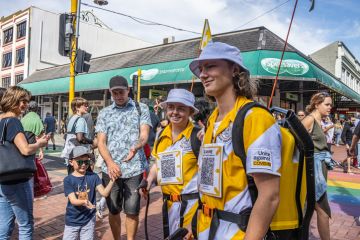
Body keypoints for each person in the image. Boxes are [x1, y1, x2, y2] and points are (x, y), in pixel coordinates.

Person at [189, 42, 281, 239]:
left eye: (210, 66)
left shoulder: (255, 118)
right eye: (201, 69)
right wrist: (195, 225)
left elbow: (270, 195)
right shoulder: (212, 119)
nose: (202, 74)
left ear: (234, 69)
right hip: (206, 228)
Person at [96, 75, 152, 240]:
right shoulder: (105, 113)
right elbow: (101, 142)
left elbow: (144, 134)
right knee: (113, 209)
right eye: (115, 93)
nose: (119, 96)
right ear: (110, 93)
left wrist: (137, 146)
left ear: (128, 90)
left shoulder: (141, 108)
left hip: (134, 168)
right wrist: (110, 163)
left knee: (132, 210)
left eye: (122, 92)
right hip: (111, 170)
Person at [145, 89, 200, 239]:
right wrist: (149, 180)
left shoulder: (198, 136)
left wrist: (199, 215)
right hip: (168, 206)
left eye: (181, 108)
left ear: (190, 112)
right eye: (171, 107)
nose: (174, 112)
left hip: (192, 206)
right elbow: (158, 163)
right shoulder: (161, 134)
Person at [0, 86, 48, 239]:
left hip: (3, 180)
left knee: (5, 225)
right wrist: (40, 143)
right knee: (25, 224)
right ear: (13, 100)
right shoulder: (13, 121)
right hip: (18, 179)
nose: (26, 105)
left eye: (27, 102)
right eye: (23, 101)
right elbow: (26, 150)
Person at [63, 146, 115, 240]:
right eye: (79, 162)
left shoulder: (93, 177)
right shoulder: (68, 180)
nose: (83, 164)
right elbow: (73, 200)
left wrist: (112, 180)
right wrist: (84, 202)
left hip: (89, 219)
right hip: (72, 219)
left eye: (86, 162)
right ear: (71, 162)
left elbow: (104, 193)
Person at [302, 92, 332, 240]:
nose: (330, 107)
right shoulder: (309, 120)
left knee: (308, 208)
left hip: (319, 169)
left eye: (331, 104)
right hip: (313, 171)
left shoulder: (319, 121)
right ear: (316, 104)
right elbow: (296, 143)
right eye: (327, 104)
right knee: (322, 209)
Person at [61, 97, 94, 175]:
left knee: (72, 178)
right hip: (79, 156)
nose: (87, 107)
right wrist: (92, 141)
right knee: (87, 178)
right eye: (85, 106)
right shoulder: (81, 120)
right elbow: (80, 138)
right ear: (77, 107)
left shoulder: (72, 118)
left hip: (70, 153)